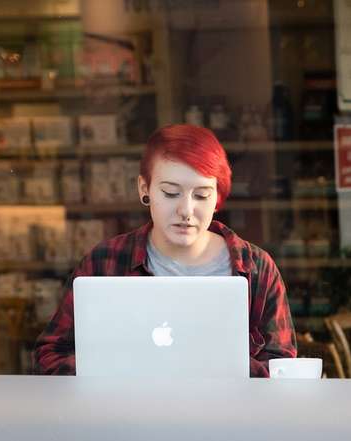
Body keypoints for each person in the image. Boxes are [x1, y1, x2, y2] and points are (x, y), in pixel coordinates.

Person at [34, 124, 296, 377]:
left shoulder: (256, 269)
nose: (186, 210)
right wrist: (115, 371)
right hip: (126, 417)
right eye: (171, 193)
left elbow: (281, 368)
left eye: (202, 195)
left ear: (218, 197)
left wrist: (210, 368)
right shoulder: (104, 263)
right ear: (144, 189)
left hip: (227, 419)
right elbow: (50, 355)